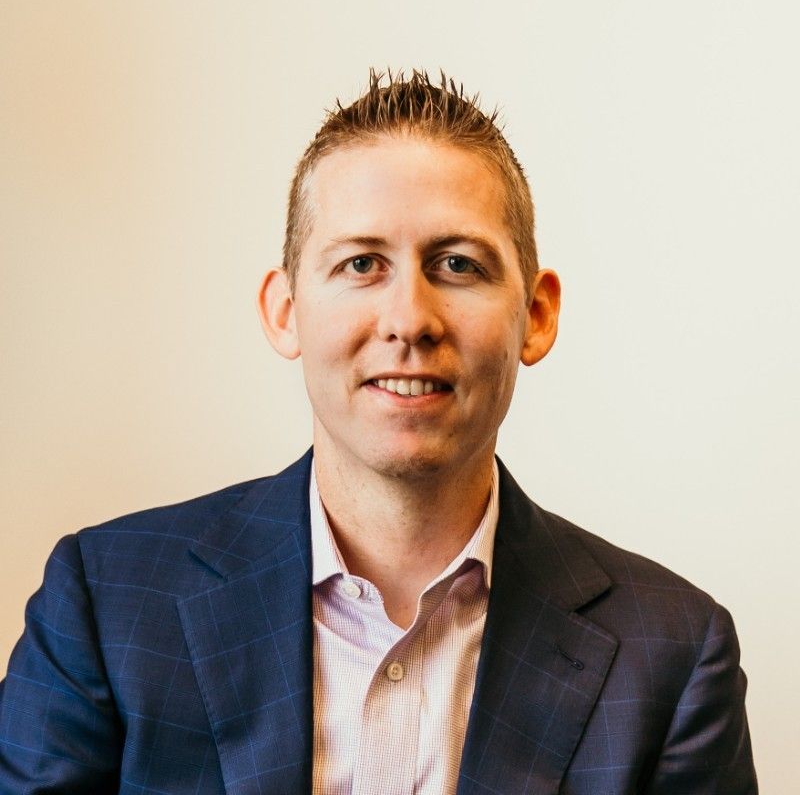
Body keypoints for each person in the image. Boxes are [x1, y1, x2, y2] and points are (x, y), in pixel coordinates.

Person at [0, 70, 757, 794]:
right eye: (362, 263)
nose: (409, 321)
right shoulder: (105, 605)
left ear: (537, 313)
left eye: (457, 265)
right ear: (285, 308)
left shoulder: (674, 656)